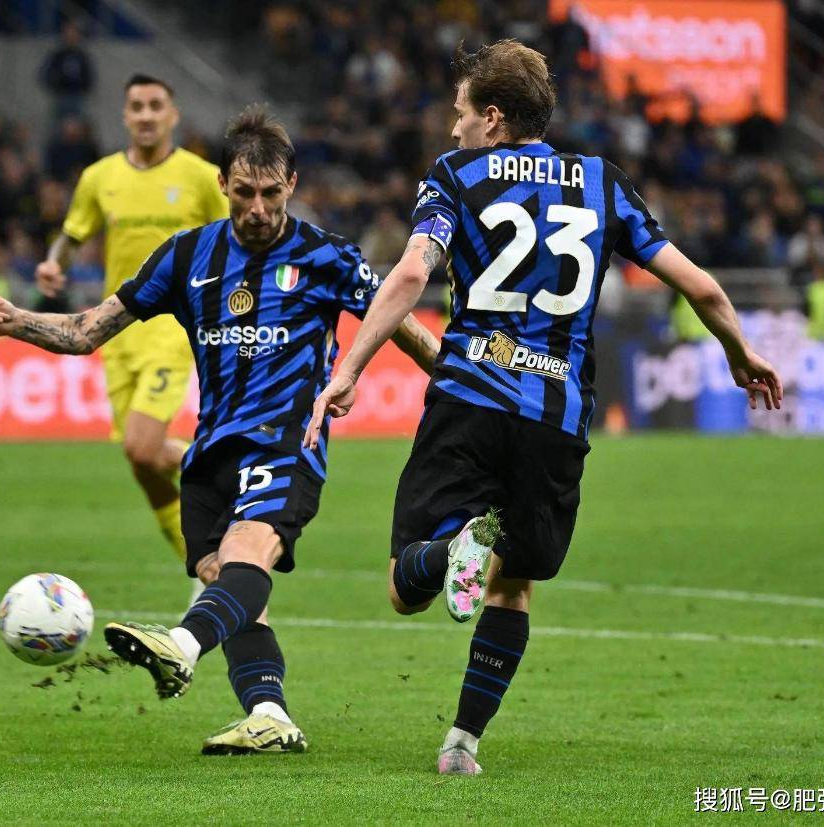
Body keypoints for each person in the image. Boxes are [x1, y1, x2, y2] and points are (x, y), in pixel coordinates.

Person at [306, 40, 784, 776]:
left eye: (462, 112)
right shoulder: (603, 183)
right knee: (515, 579)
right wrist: (739, 351)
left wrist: (350, 368)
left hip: (469, 400)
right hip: (555, 416)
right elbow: (702, 286)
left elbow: (408, 275)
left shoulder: (455, 175)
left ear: (494, 118)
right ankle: (462, 745)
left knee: (405, 585)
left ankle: (451, 551)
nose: (454, 127)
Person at [0, 107, 439, 756]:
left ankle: (182, 643)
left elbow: (405, 327)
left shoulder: (326, 257)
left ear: (292, 184)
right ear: (222, 184)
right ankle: (269, 714)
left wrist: (463, 389)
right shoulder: (186, 256)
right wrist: (16, 322)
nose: (258, 209)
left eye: (271, 193)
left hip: (286, 442)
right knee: (229, 581)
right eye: (244, 192)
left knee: (248, 554)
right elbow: (86, 331)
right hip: (209, 451)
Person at [35, 75, 227, 599]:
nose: (145, 115)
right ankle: (206, 567)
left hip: (175, 328)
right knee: (141, 462)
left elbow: (238, 239)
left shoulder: (202, 178)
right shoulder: (99, 178)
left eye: (155, 106)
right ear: (124, 115)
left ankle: (229, 473)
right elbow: (71, 235)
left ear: (173, 115)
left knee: (143, 446)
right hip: (115, 333)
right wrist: (53, 265)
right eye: (136, 106)